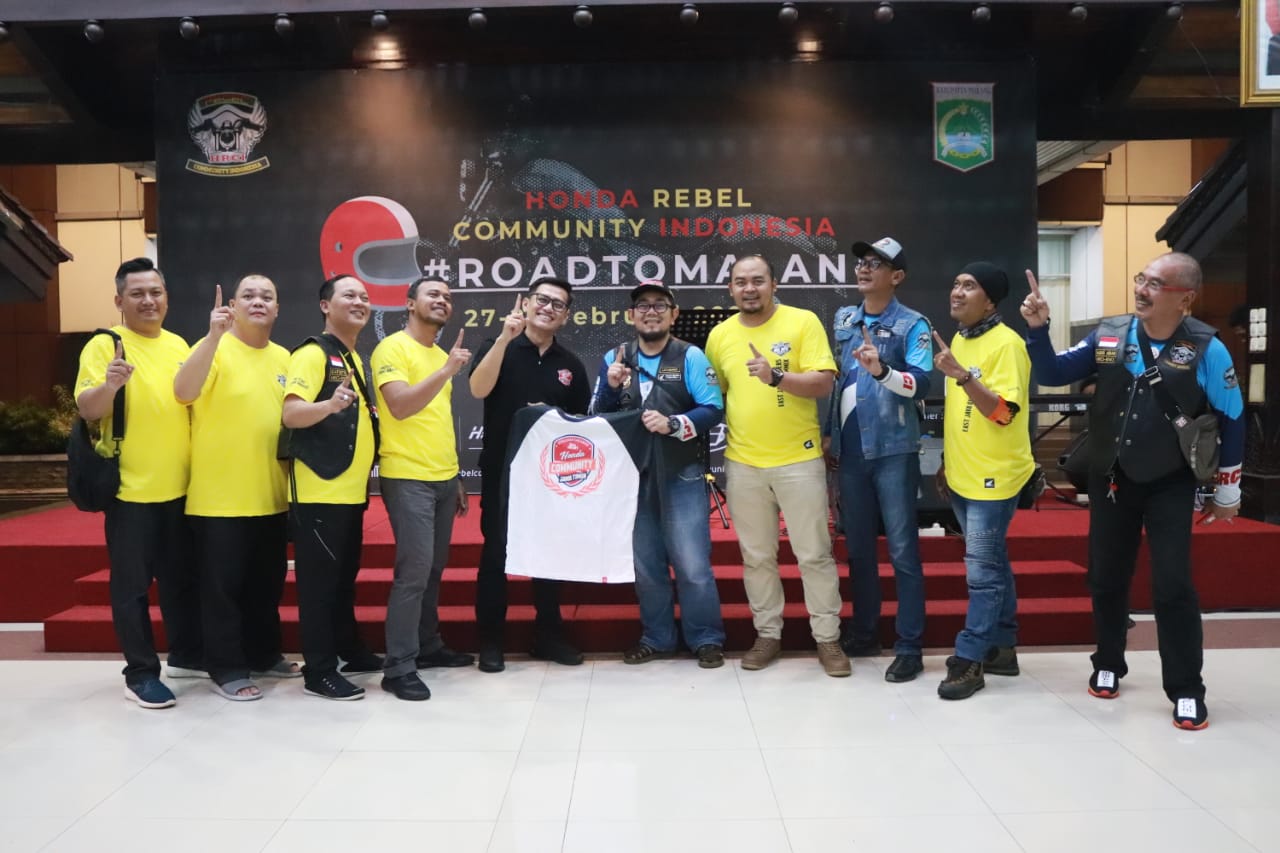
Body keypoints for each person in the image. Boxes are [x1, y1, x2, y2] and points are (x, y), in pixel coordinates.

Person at [1023, 252, 1244, 729]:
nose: (1142, 289)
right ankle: (1108, 661)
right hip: (1111, 477)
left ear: (1185, 298)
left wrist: (1228, 489)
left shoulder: (1207, 348)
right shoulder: (1110, 334)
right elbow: (1053, 373)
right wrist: (1039, 330)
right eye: (1141, 279)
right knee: (1106, 577)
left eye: (1156, 284)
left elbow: (1232, 417)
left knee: (1173, 585)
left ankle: (1186, 688)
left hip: (1171, 481)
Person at [704, 254, 848, 677]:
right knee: (756, 557)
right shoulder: (720, 335)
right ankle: (767, 635)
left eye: (758, 281)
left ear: (774, 284)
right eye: (740, 282)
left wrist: (777, 378)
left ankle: (828, 639)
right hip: (743, 463)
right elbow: (716, 395)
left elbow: (824, 382)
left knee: (814, 555)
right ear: (730, 289)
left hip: (799, 460)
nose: (749, 289)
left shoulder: (802, 322)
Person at [74, 257, 202, 709]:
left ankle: (186, 655)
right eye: (137, 294)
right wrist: (110, 385)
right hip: (130, 492)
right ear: (119, 301)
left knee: (180, 582)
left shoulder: (179, 344)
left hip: (181, 489)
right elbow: (88, 409)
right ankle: (141, 673)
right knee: (131, 589)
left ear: (166, 297)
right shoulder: (105, 344)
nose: (148, 301)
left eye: (155, 292)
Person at [590, 281, 727, 668]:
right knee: (647, 566)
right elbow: (597, 415)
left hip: (681, 473)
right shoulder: (615, 358)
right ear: (631, 315)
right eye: (643, 306)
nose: (651, 312)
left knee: (692, 564)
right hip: (632, 479)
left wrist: (675, 423)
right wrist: (611, 388)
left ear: (674, 314)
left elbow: (713, 408)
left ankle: (706, 638)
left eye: (660, 305)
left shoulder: (690, 356)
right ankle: (658, 638)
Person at [174, 275, 294, 701]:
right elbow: (182, 392)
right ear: (233, 306)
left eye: (267, 296)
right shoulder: (214, 347)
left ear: (277, 309)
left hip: (272, 495)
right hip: (219, 498)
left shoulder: (284, 357)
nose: (258, 301)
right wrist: (212, 336)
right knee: (222, 592)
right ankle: (225, 668)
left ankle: (264, 654)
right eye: (249, 295)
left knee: (266, 585)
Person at [468, 276, 592, 673]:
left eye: (558, 304)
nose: (548, 308)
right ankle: (491, 642)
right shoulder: (497, 345)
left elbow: (580, 425)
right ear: (526, 303)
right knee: (495, 555)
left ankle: (548, 636)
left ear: (566, 316)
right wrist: (505, 338)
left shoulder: (570, 365)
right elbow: (477, 389)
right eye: (542, 299)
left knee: (549, 554)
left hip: (548, 478)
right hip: (501, 472)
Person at [825, 237, 933, 683]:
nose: (864, 269)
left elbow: (923, 383)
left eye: (876, 264)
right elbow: (837, 382)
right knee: (858, 550)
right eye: (861, 263)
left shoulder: (913, 324)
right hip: (850, 453)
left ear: (897, 276)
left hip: (893, 451)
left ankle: (909, 646)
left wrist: (883, 371)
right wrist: (830, 435)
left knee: (904, 551)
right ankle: (865, 632)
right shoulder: (844, 319)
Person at [932, 262, 1034, 700]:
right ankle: (1002, 647)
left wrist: (963, 376)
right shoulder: (960, 338)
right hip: (963, 475)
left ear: (990, 301)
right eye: (956, 283)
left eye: (969, 286)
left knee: (982, 573)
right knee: (993, 563)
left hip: (994, 478)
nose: (957, 291)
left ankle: (970, 658)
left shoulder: (1008, 344)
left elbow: (1004, 413)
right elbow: (962, 414)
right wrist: (948, 463)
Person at [282, 274, 383, 700]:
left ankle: (348, 648)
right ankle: (319, 671)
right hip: (319, 492)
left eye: (364, 296)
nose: (359, 302)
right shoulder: (312, 354)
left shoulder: (351, 356)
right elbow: (291, 414)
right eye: (349, 295)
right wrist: (328, 405)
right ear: (326, 306)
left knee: (342, 581)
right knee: (320, 587)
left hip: (348, 492)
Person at [372, 277, 474, 701]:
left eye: (448, 297)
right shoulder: (391, 348)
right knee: (413, 572)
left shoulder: (437, 354)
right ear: (410, 302)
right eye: (433, 294)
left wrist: (455, 476)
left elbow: (437, 419)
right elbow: (399, 406)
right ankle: (398, 668)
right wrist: (447, 370)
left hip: (442, 477)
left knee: (432, 569)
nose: (442, 301)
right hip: (407, 476)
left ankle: (428, 646)